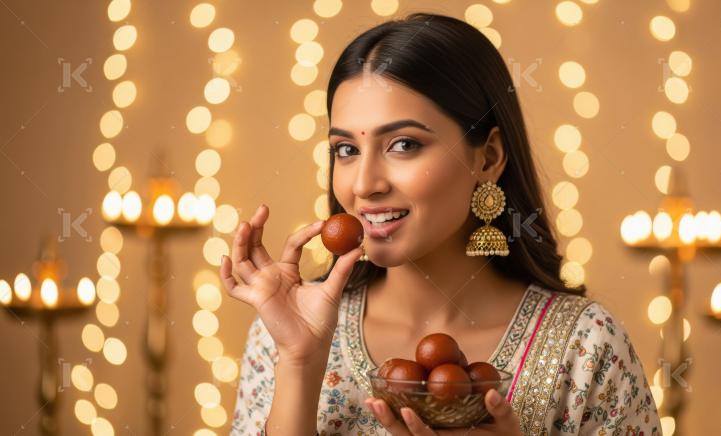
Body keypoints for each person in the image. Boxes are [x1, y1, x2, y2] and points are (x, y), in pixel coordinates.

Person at [222, 12, 661, 436]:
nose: (364, 184)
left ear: (487, 157)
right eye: (346, 150)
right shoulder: (285, 331)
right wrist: (300, 362)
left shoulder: (586, 346)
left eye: (403, 144)